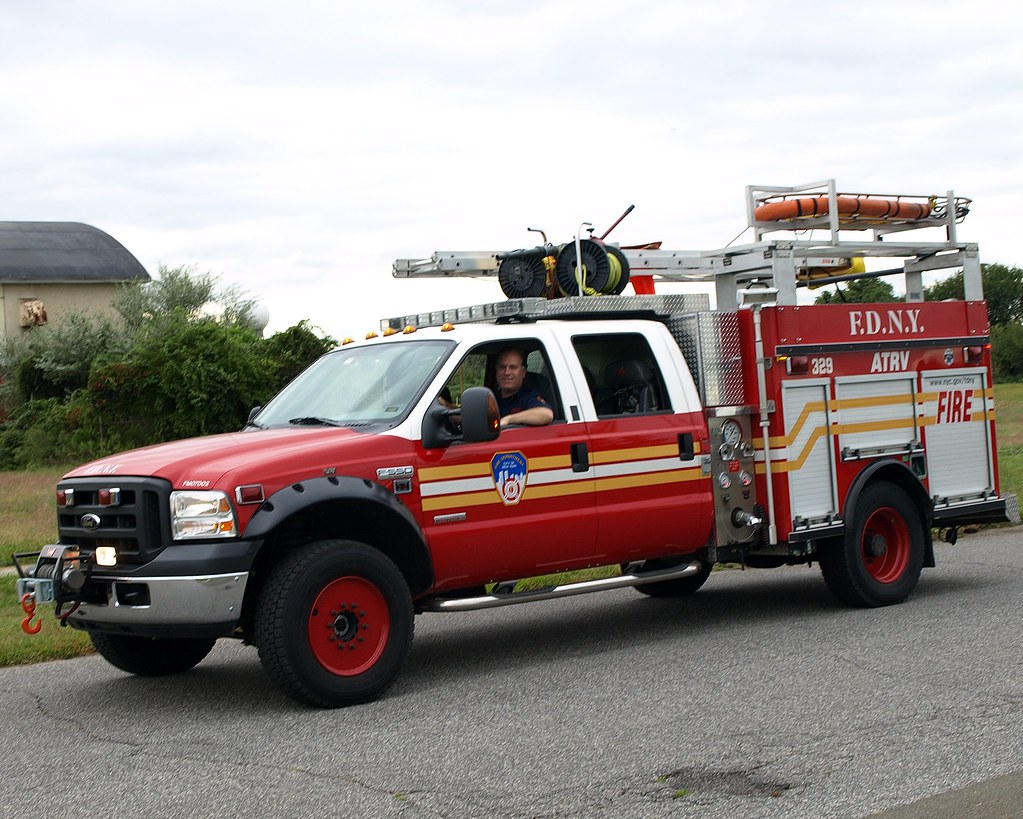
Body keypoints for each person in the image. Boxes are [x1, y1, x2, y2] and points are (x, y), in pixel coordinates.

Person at [494, 347, 554, 427]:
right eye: (502, 367)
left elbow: (546, 414)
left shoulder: (527, 396)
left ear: (523, 373)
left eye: (513, 367)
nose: (507, 372)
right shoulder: (490, 398)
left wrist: (508, 419)